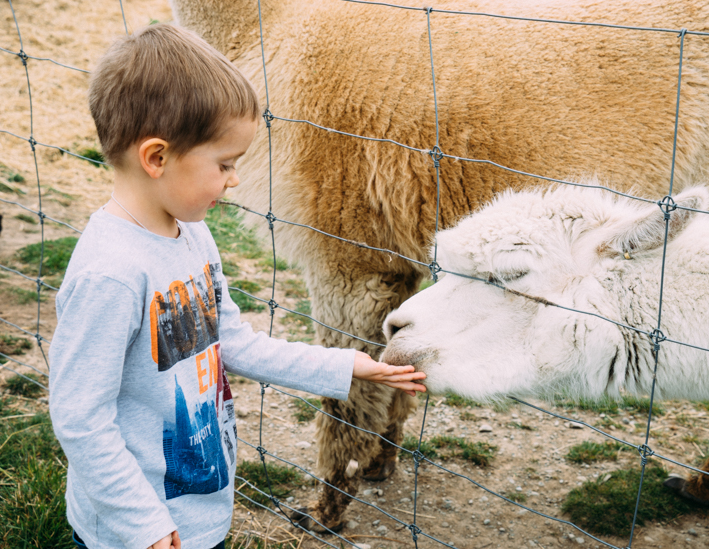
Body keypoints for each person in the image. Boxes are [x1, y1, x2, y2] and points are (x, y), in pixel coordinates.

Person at [48, 23, 426, 549]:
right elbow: (79, 417)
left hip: (199, 515)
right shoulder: (110, 274)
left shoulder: (194, 236)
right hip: (135, 531)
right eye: (224, 164)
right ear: (157, 158)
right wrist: (142, 524)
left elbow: (234, 343)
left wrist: (345, 366)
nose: (235, 180)